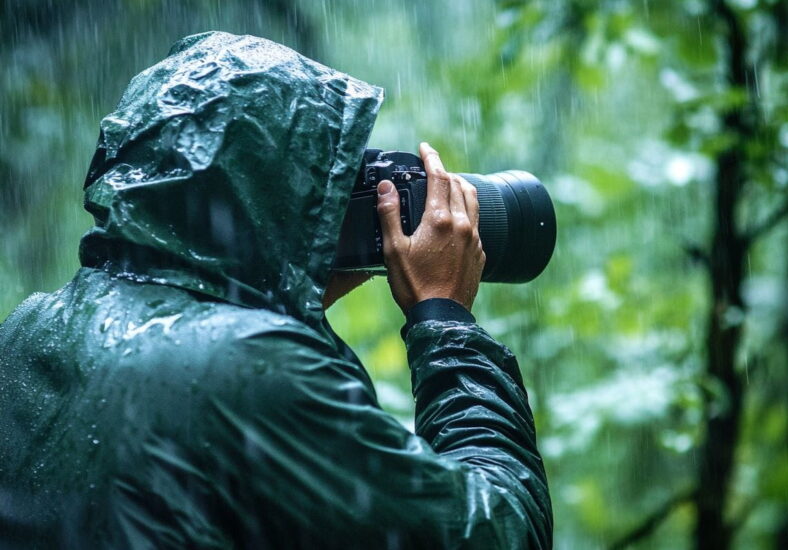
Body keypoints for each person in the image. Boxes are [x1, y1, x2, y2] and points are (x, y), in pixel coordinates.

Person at [0, 31, 552, 549]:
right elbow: (500, 529)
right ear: (276, 196)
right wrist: (445, 319)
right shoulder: (252, 373)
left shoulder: (29, 330)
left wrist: (288, 289)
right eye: (321, 185)